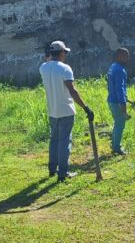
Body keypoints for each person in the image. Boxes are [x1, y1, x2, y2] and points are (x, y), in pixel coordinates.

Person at [39, 40, 94, 182]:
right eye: (65, 52)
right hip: (66, 110)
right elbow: (72, 91)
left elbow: (47, 61)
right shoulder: (65, 69)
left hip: (52, 110)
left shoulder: (43, 68)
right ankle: (63, 172)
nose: (66, 55)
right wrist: (85, 107)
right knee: (64, 142)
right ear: (62, 52)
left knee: (54, 140)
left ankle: (52, 168)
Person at [106, 48, 135, 155]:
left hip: (111, 100)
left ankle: (114, 144)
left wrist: (127, 100)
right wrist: (124, 110)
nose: (128, 58)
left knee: (117, 123)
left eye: (128, 55)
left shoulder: (112, 67)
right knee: (120, 124)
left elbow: (113, 87)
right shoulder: (120, 70)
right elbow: (120, 90)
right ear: (119, 56)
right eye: (126, 56)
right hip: (117, 102)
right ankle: (117, 148)